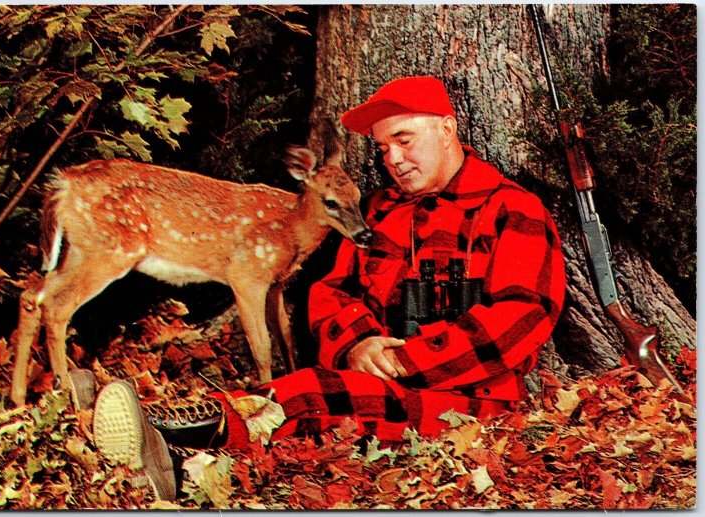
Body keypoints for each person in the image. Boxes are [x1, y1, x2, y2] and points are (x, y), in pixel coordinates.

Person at [87, 76, 566, 501]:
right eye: (382, 149)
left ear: (446, 128)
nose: (393, 159)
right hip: (374, 379)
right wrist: (356, 343)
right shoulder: (380, 211)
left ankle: (173, 443)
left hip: (476, 403)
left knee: (310, 395)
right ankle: (180, 455)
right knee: (316, 403)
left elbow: (521, 318)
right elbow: (332, 293)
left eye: (403, 139)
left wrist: (404, 361)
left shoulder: (511, 208)